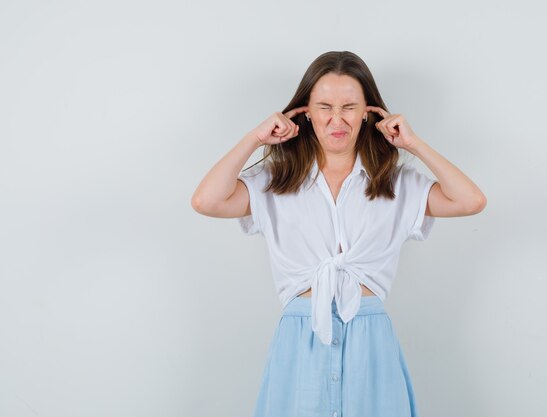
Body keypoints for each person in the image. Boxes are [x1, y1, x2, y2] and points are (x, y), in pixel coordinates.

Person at [191, 51, 486, 417]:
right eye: (324, 106)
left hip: (371, 340)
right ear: (306, 112)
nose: (336, 119)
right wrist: (255, 138)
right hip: (301, 339)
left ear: (368, 112)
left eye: (349, 106)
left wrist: (413, 144)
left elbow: (471, 200)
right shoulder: (275, 180)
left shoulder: (395, 183)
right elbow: (206, 200)